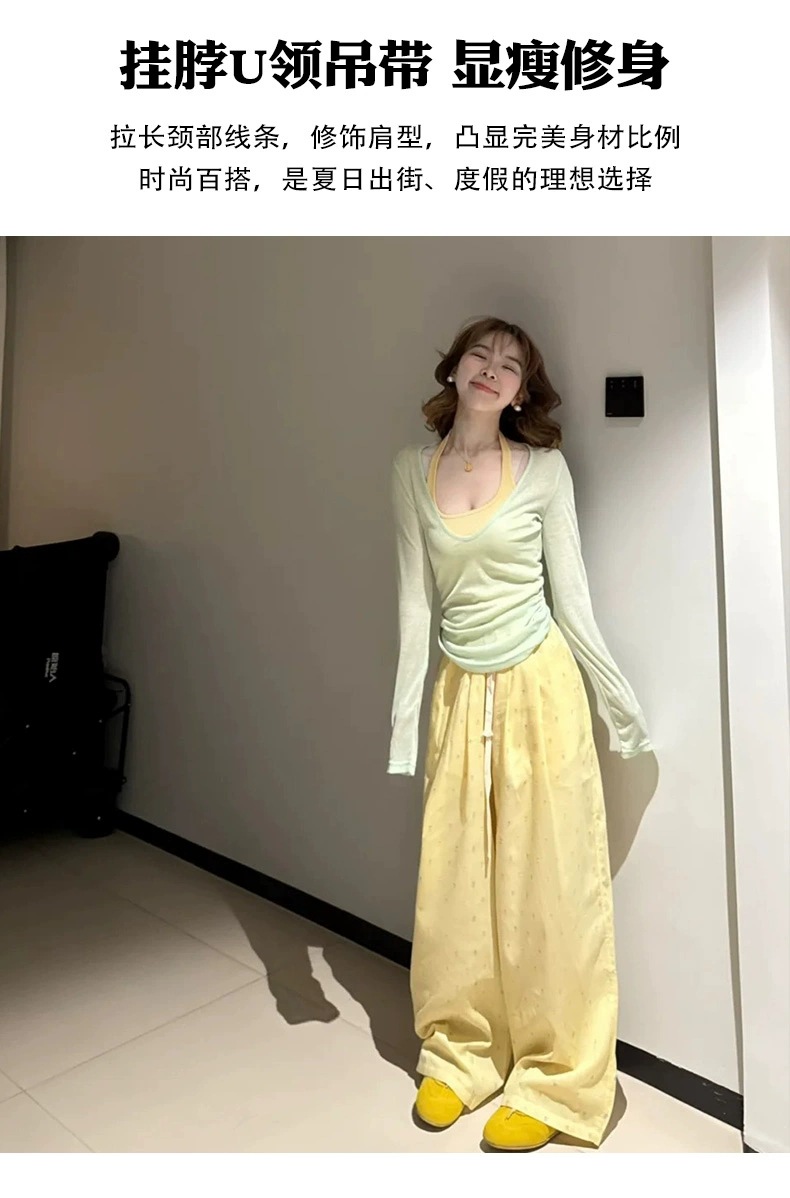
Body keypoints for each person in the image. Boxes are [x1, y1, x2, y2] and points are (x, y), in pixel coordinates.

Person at [387, 315, 652, 1151]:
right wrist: (404, 726)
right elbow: (414, 606)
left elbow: (572, 600)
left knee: (549, 888)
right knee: (454, 885)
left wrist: (618, 704)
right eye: (481, 354)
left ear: (522, 392)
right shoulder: (410, 471)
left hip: (541, 689)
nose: (492, 369)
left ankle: (557, 1079)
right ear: (454, 368)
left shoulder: (544, 472)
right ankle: (458, 1054)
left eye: (511, 365)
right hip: (458, 693)